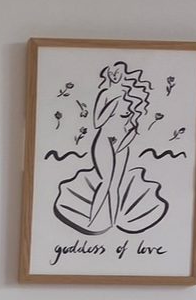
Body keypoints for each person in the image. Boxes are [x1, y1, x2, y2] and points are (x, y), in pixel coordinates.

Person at [53, 61, 168, 235]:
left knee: (116, 185)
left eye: (118, 72)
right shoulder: (106, 93)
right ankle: (93, 220)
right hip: (104, 141)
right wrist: (114, 103)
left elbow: (133, 126)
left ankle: (113, 222)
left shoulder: (129, 96)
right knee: (106, 182)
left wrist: (125, 141)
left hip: (122, 144)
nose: (115, 75)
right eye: (112, 72)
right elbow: (97, 122)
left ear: (123, 75)